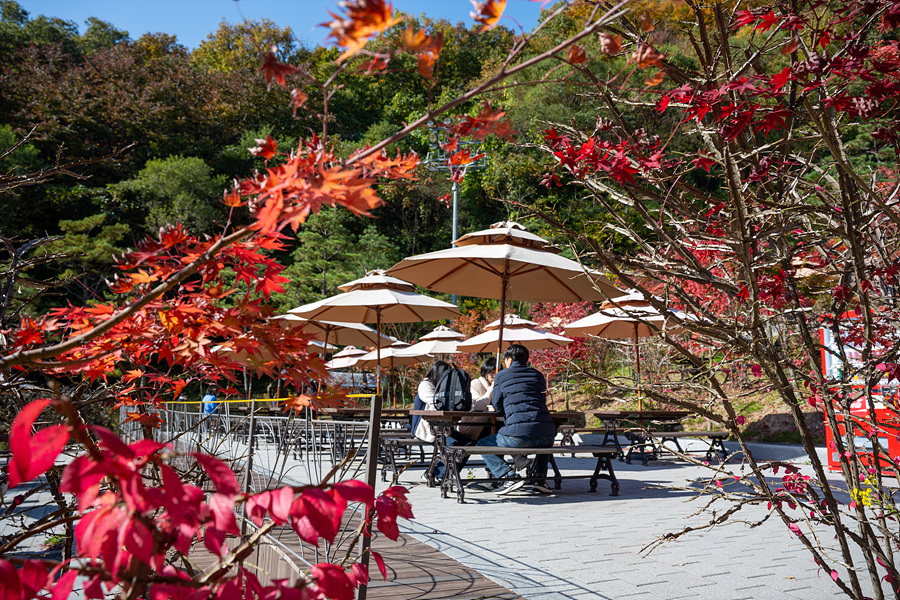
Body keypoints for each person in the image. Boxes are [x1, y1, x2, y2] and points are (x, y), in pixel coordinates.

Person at [477, 344, 556, 495]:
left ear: (509, 359)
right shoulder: (537, 374)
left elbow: (497, 405)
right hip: (549, 436)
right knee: (542, 432)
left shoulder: (502, 375)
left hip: (519, 436)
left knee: (483, 444)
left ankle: (508, 477)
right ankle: (540, 479)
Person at [456, 357, 496, 443]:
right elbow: (480, 406)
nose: (495, 375)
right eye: (492, 372)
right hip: (470, 427)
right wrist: (492, 387)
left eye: (497, 372)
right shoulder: (476, 384)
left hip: (490, 426)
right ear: (485, 372)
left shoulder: (500, 387)